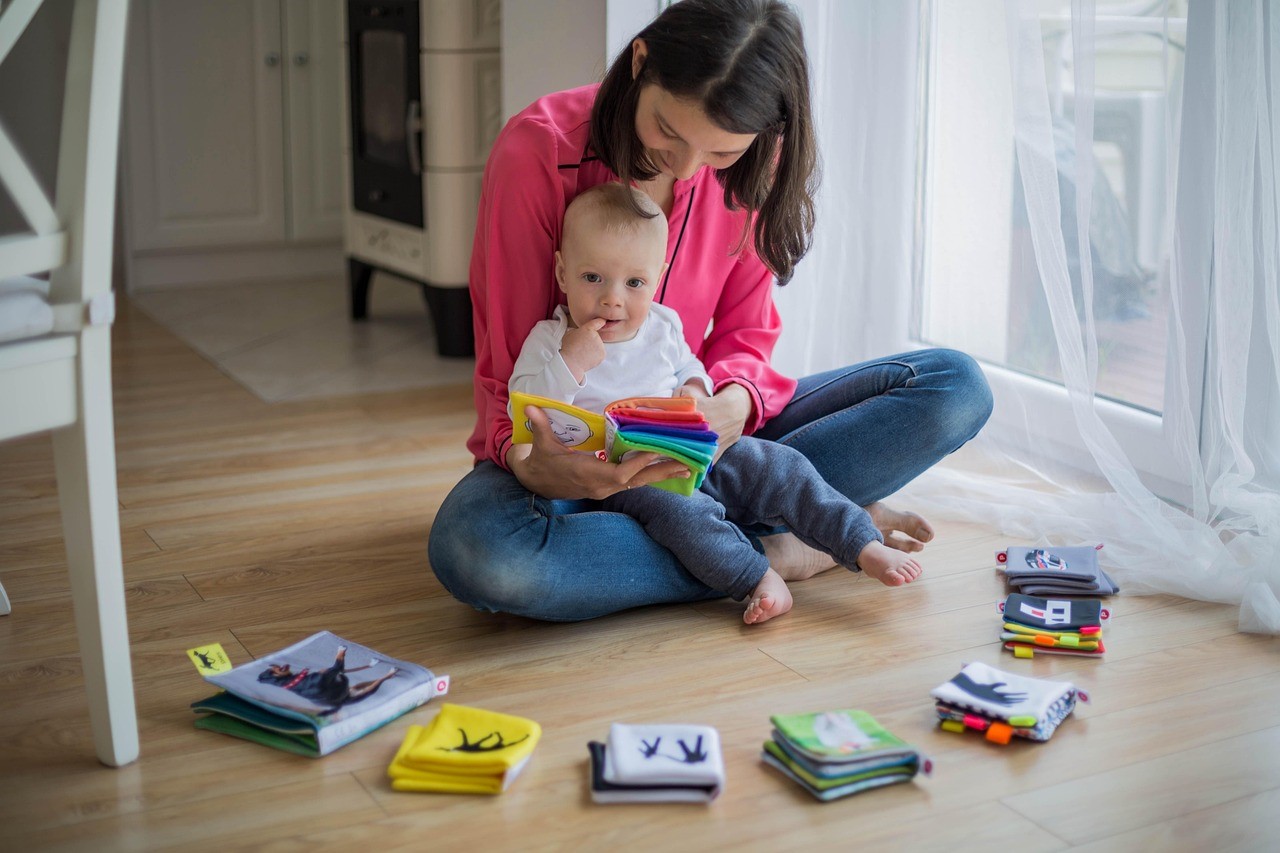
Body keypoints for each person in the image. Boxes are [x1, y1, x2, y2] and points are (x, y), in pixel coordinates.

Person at [428, 0, 993, 622]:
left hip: (706, 448)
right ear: (640, 62)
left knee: (955, 386)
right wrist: (537, 468)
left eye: (720, 153)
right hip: (573, 465)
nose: (689, 167)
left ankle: (754, 531)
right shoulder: (538, 151)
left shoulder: (754, 161)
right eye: (669, 131)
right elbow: (507, 370)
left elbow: (746, 333)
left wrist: (728, 406)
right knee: (481, 554)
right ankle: (786, 543)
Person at [511, 182, 922, 624]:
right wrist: (570, 362)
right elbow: (529, 410)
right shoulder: (550, 339)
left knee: (779, 465)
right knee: (684, 514)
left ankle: (862, 542)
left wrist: (695, 390)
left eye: (634, 282)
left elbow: (691, 364)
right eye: (593, 278)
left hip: (692, 447)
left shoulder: (662, 325)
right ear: (562, 273)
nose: (613, 298)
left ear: (658, 277)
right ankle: (756, 575)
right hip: (628, 476)